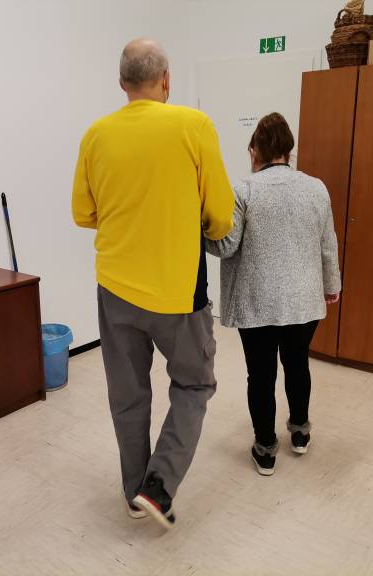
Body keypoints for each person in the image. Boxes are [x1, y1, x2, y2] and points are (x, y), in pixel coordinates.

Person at [72, 38, 234, 529]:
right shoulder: (194, 125)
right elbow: (221, 217)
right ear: (166, 80)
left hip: (115, 289)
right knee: (194, 382)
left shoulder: (95, 135)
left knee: (128, 394)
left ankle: (133, 492)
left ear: (122, 83)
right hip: (177, 291)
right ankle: (158, 487)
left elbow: (83, 214)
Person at [206, 112, 341, 477]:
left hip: (257, 303)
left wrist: (201, 230)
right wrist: (332, 285)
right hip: (304, 301)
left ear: (255, 151)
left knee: (261, 376)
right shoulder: (317, 188)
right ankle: (300, 433)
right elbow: (328, 244)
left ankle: (265, 450)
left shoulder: (243, 191)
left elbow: (226, 246)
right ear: (288, 150)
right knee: (297, 365)